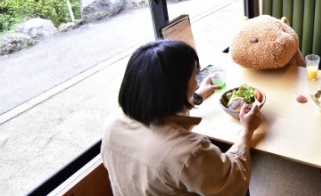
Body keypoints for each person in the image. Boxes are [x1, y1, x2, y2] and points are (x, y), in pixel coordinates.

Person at [101, 39, 263, 196]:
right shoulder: (189, 152)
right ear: (174, 89)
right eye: (194, 76)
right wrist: (247, 131)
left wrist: (196, 97)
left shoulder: (113, 122)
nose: (196, 82)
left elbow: (162, 120)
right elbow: (232, 181)